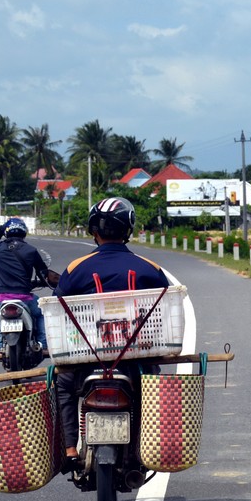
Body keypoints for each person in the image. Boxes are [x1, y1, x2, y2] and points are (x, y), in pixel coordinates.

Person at [54, 197, 170, 471]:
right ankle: (147, 444)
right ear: (128, 229)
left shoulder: (74, 268)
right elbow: (165, 306)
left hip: (85, 358)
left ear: (94, 230)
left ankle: (70, 448)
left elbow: (58, 306)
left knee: (63, 386)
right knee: (151, 390)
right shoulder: (150, 268)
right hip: (137, 357)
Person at [0, 217, 54, 355]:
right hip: (25, 298)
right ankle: (42, 344)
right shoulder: (31, 250)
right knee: (41, 314)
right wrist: (43, 281)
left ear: (6, 233)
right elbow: (43, 272)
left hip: (1, 299)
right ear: (24, 233)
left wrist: (2, 226)